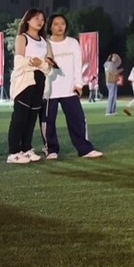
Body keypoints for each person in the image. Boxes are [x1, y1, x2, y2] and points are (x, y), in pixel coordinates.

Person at [40, 14, 103, 159]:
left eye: (62, 23)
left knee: (78, 119)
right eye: (56, 24)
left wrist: (78, 84)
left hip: (69, 90)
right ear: (50, 27)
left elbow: (78, 65)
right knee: (48, 121)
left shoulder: (73, 43)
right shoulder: (45, 44)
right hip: (50, 90)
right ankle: (51, 149)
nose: (60, 26)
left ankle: (85, 149)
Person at [7, 9, 55, 164]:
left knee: (31, 118)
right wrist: (34, 63)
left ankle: (26, 149)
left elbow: (49, 67)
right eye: (36, 18)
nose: (40, 21)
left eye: (42, 19)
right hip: (25, 82)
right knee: (20, 118)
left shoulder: (45, 42)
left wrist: (39, 63)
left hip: (40, 82)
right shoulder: (22, 38)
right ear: (27, 20)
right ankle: (14, 152)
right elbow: (18, 62)